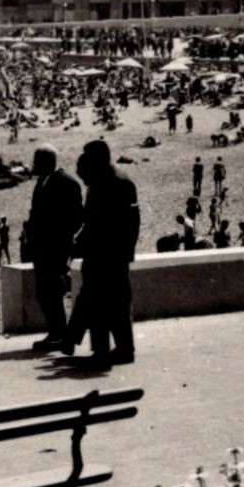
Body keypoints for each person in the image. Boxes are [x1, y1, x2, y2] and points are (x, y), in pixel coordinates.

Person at [62, 140, 139, 367]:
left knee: (99, 303)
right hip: (115, 254)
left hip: (104, 253)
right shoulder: (118, 180)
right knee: (115, 303)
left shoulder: (106, 184)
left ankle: (101, 351)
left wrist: (79, 245)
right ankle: (122, 349)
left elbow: (98, 224)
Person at [25, 145, 85, 350]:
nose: (33, 165)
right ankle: (55, 332)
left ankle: (58, 334)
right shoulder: (43, 182)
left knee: (51, 290)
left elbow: (76, 218)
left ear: (45, 162)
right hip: (42, 248)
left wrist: (58, 239)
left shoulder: (66, 183)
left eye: (36, 161)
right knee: (45, 291)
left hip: (55, 248)